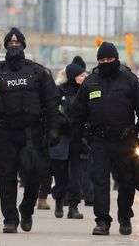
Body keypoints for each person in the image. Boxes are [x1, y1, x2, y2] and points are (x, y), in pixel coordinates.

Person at [0, 28, 61, 233]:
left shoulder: (38, 72)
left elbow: (51, 102)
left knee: (33, 176)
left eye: (18, 43)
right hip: (5, 133)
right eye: (10, 43)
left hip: (32, 133)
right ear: (6, 46)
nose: (14, 45)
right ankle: (10, 219)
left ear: (23, 46)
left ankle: (26, 209)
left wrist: (53, 128)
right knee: (6, 177)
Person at [70, 42, 139, 236]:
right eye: (102, 59)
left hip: (125, 140)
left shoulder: (129, 80)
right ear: (98, 61)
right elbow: (78, 113)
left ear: (116, 59)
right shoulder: (90, 82)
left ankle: (124, 217)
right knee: (99, 181)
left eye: (109, 59)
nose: (106, 62)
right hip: (98, 141)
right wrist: (77, 138)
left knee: (126, 181)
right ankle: (102, 221)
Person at [52, 60, 89, 220]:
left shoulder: (86, 92)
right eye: (82, 75)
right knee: (60, 174)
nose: (85, 77)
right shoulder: (59, 92)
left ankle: (73, 206)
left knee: (76, 175)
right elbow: (53, 112)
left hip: (78, 138)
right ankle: (59, 200)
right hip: (61, 138)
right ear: (74, 76)